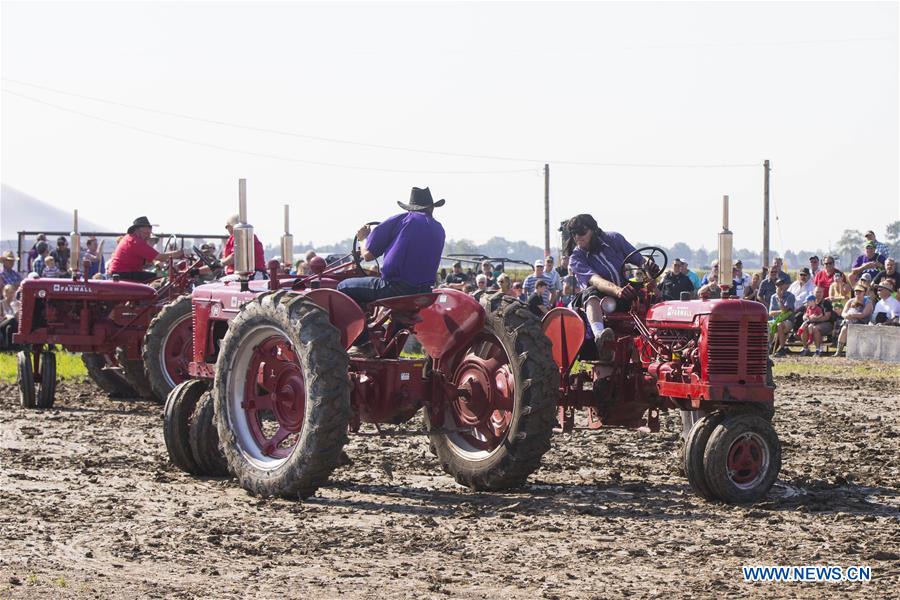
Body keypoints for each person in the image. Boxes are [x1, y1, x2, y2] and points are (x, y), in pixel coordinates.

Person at [337, 187, 446, 356]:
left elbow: (367, 255)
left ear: (410, 207)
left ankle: (362, 343)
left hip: (396, 287)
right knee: (401, 304)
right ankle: (389, 353)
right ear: (432, 208)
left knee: (343, 288)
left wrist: (363, 238)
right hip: (424, 292)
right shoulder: (439, 228)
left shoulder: (402, 220)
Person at [564, 213, 658, 359]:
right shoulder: (576, 258)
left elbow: (639, 258)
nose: (577, 237)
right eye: (574, 233)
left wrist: (648, 265)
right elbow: (596, 280)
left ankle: (659, 339)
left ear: (593, 229)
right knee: (591, 293)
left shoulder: (614, 239)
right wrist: (617, 291)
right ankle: (600, 336)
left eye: (581, 232)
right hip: (601, 299)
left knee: (650, 296)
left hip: (622, 293)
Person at [107, 217, 184, 282]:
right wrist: (179, 253)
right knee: (160, 275)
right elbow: (160, 257)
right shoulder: (136, 241)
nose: (147, 237)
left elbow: (148, 261)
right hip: (123, 274)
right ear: (137, 231)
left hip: (121, 273)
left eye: (149, 234)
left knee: (158, 274)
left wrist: (158, 265)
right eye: (146, 233)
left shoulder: (129, 238)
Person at [834, 285, 873, 356]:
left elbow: (864, 314)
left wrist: (852, 315)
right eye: (856, 291)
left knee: (849, 327)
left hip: (862, 322)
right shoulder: (851, 301)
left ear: (864, 292)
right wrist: (846, 316)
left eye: (860, 292)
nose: (857, 293)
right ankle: (838, 351)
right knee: (844, 329)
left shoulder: (868, 302)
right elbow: (843, 313)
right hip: (849, 322)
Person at [798, 286, 834, 357]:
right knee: (804, 328)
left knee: (815, 328)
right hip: (812, 323)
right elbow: (805, 314)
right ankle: (806, 348)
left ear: (823, 293)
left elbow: (827, 317)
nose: (819, 294)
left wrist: (815, 319)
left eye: (820, 292)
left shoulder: (826, 303)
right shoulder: (810, 302)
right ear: (814, 293)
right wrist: (805, 317)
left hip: (826, 323)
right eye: (817, 292)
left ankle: (818, 350)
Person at [769, 279, 796, 357]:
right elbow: (770, 313)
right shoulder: (773, 297)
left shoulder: (790, 296)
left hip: (788, 321)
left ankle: (782, 348)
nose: (779, 287)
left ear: (785, 286)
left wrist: (780, 299)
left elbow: (785, 310)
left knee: (779, 325)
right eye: (777, 285)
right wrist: (781, 312)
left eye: (781, 284)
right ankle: (767, 347)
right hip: (775, 320)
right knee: (767, 325)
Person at [0, 283, 20, 350]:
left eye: (12, 293)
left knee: (10, 327)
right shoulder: (1, 303)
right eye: (9, 293)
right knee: (12, 320)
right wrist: (6, 317)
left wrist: (16, 310)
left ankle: (10, 348)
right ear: (4, 293)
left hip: (14, 323)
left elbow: (19, 319)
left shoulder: (18, 303)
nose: (11, 295)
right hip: (2, 324)